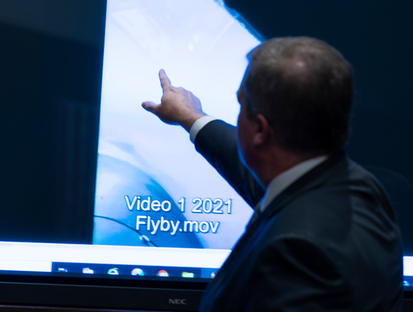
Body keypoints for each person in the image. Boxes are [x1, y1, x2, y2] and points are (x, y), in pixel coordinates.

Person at [142, 37, 403, 311]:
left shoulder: (293, 254)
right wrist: (191, 117)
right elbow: (265, 184)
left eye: (241, 106)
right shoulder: (363, 189)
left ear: (261, 131)